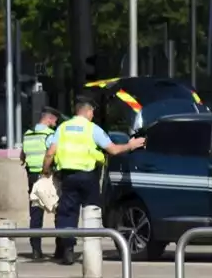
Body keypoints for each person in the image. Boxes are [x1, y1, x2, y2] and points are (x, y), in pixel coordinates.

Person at [42, 94, 144, 265]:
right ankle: (91, 250)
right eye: (92, 112)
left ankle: (68, 250)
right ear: (87, 111)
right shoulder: (92, 129)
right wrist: (130, 145)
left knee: (67, 213)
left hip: (68, 176)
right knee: (92, 212)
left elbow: (50, 152)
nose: (93, 115)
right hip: (88, 176)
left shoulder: (63, 128)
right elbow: (112, 150)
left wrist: (45, 171)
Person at [20, 107, 58, 259]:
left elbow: (22, 155)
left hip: (32, 176)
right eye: (54, 120)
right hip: (47, 175)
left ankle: (35, 250)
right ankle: (61, 249)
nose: (55, 123)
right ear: (48, 119)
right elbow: (52, 154)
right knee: (58, 210)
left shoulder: (28, 134)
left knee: (35, 214)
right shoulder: (49, 134)